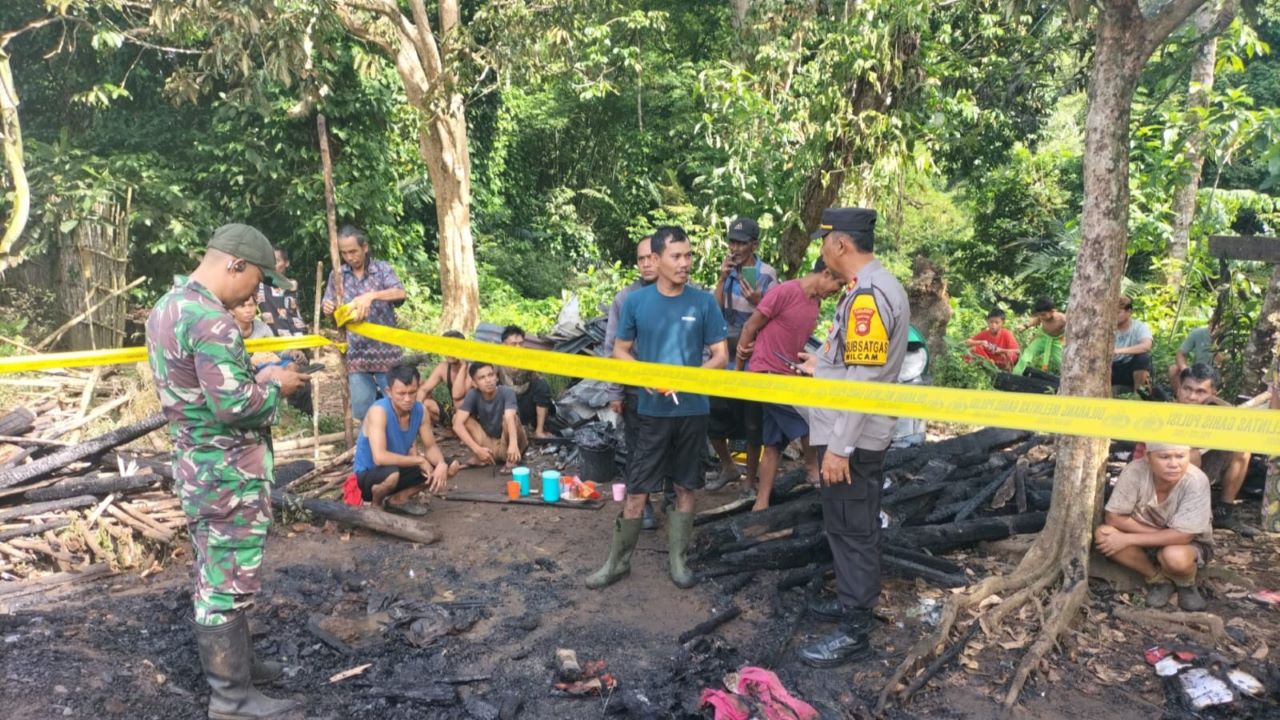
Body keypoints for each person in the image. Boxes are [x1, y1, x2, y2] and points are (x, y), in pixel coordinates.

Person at [145, 223, 309, 719]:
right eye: (256, 282)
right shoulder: (212, 320)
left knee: (215, 570)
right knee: (225, 581)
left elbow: (204, 389)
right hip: (227, 472)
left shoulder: (168, 307)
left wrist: (251, 378)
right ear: (234, 265)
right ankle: (231, 699)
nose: (256, 295)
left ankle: (239, 669)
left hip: (197, 465)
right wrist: (277, 383)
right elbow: (236, 406)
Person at [586, 225, 729, 590]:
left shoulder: (703, 302)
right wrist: (642, 376)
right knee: (637, 488)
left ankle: (678, 561)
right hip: (649, 411)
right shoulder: (635, 302)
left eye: (688, 255)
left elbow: (721, 355)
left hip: (693, 411)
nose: (685, 263)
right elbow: (619, 349)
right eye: (676, 256)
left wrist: (687, 379)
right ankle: (617, 562)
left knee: (685, 486)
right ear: (658, 258)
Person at [797, 207, 909, 668]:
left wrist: (839, 448)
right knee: (848, 526)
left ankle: (854, 632)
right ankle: (850, 603)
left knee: (853, 530)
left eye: (825, 242)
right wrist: (820, 368)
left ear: (840, 244)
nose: (822, 251)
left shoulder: (868, 296)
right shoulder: (869, 290)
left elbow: (865, 380)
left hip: (853, 439)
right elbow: (854, 365)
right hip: (850, 431)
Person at [735, 258, 842, 510]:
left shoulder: (815, 303)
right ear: (826, 273)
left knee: (772, 446)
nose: (836, 291)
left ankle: (760, 505)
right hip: (767, 374)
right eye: (837, 284)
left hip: (789, 376)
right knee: (810, 419)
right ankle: (813, 470)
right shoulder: (785, 291)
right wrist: (738, 373)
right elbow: (751, 326)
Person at [1095, 443, 1212, 611]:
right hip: (1146, 533)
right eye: (1164, 457)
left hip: (1186, 544)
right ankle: (1158, 579)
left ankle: (1186, 583)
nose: (1173, 464)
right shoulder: (1135, 471)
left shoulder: (1196, 481)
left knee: (1174, 556)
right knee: (1104, 534)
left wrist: (1128, 539)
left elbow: (1184, 536)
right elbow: (1113, 517)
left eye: (1180, 457)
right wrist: (1163, 536)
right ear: (1148, 457)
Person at [708, 217, 778, 492]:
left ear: (754, 244)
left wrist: (758, 302)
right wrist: (722, 278)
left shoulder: (767, 275)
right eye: (732, 242)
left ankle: (749, 479)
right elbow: (714, 314)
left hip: (754, 355)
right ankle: (727, 466)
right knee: (714, 416)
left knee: (752, 422)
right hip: (724, 355)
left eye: (741, 243)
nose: (735, 248)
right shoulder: (728, 272)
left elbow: (775, 317)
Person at [604, 236, 662, 530]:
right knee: (638, 450)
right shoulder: (625, 299)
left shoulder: (685, 295)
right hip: (637, 392)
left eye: (652, 256)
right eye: (641, 259)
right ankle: (644, 505)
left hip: (676, 392)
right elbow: (612, 347)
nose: (647, 263)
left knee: (675, 451)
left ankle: (675, 505)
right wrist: (615, 390)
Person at [321, 225, 406, 422]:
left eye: (353, 251)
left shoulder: (382, 270)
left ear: (364, 247)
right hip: (357, 355)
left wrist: (371, 296)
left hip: (387, 353)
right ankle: (372, 446)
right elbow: (331, 311)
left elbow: (400, 293)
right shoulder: (337, 275)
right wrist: (329, 309)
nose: (350, 257)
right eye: (344, 253)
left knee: (398, 406)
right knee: (362, 412)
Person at [353, 364, 459, 515]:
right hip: (368, 476)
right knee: (392, 474)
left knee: (452, 466)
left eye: (412, 393)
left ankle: (398, 499)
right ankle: (375, 506)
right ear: (388, 391)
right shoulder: (379, 411)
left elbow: (430, 447)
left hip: (397, 468)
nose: (408, 399)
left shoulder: (421, 410)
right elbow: (380, 458)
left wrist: (441, 463)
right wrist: (420, 460)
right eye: (401, 394)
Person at [1173, 363, 1257, 537]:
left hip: (1204, 470)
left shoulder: (1216, 413)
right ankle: (1188, 514)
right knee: (1192, 455)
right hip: (1166, 478)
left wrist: (1216, 402)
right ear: (1179, 388)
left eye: (1200, 392)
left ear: (1212, 394)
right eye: (1187, 389)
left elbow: (1241, 422)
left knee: (1242, 449)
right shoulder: (1165, 411)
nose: (1191, 396)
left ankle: (1224, 512)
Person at [230, 295, 314, 416]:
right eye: (242, 306)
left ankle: (302, 416)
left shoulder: (262, 328)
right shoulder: (228, 331)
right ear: (232, 310)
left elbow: (278, 351)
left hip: (269, 366)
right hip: (244, 373)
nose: (248, 310)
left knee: (297, 373)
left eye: (251, 305)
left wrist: (292, 353)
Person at [453, 362, 528, 473]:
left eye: (490, 375)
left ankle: (512, 460)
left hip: (509, 444)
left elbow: (510, 416)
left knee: (511, 418)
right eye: (482, 378)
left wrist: (513, 444)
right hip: (489, 446)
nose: (488, 380)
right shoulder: (473, 394)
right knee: (458, 418)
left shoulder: (507, 392)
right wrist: (477, 449)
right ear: (474, 383)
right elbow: (457, 425)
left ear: (496, 377)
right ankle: (481, 457)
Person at [499, 325, 556, 438]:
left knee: (541, 385)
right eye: (514, 344)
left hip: (525, 402)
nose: (518, 347)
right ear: (504, 345)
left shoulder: (528, 359)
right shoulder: (496, 359)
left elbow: (539, 381)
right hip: (507, 405)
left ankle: (539, 430)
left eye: (521, 343)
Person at [416, 330, 471, 429]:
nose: (449, 352)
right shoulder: (443, 367)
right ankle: (428, 429)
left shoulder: (471, 369)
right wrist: (417, 407)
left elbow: (458, 396)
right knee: (426, 404)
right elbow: (424, 389)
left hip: (471, 415)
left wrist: (463, 367)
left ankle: (456, 432)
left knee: (458, 406)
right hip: (454, 413)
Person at [256, 247, 308, 338]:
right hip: (269, 336)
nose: (273, 265)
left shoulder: (292, 285)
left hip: (295, 333)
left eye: (277, 261)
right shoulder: (258, 286)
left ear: (286, 263)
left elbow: (293, 313)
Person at [1012, 297, 1064, 376]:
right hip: (1042, 338)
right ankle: (1014, 376)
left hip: (1056, 341)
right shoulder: (1041, 316)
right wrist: (1025, 326)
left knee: (1063, 363)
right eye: (1039, 315)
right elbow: (1037, 320)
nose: (1041, 317)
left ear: (1053, 311)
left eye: (1043, 315)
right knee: (1025, 356)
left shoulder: (1062, 319)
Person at [1113, 296, 1155, 394]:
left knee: (1143, 358)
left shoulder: (1139, 327)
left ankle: (1138, 393)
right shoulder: (1105, 327)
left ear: (1129, 312)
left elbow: (1146, 345)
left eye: (1118, 312)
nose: (1114, 316)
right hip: (1112, 368)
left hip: (1130, 369)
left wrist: (1119, 350)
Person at [1167, 321, 1219, 388]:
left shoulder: (1230, 337)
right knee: (1174, 369)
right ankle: (1182, 396)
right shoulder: (1198, 333)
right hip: (1198, 371)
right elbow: (1180, 354)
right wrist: (1185, 370)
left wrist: (1215, 345)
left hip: (1217, 372)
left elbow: (1225, 361)